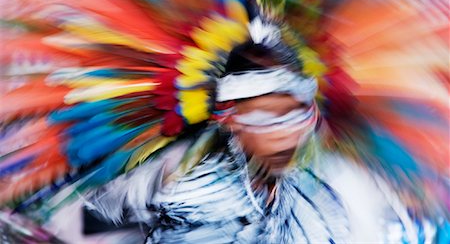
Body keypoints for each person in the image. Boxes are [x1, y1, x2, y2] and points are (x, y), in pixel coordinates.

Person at [87, 20, 435, 243]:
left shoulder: (340, 188)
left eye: (295, 114)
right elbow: (94, 215)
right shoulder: (182, 189)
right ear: (231, 118)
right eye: (267, 116)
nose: (285, 133)